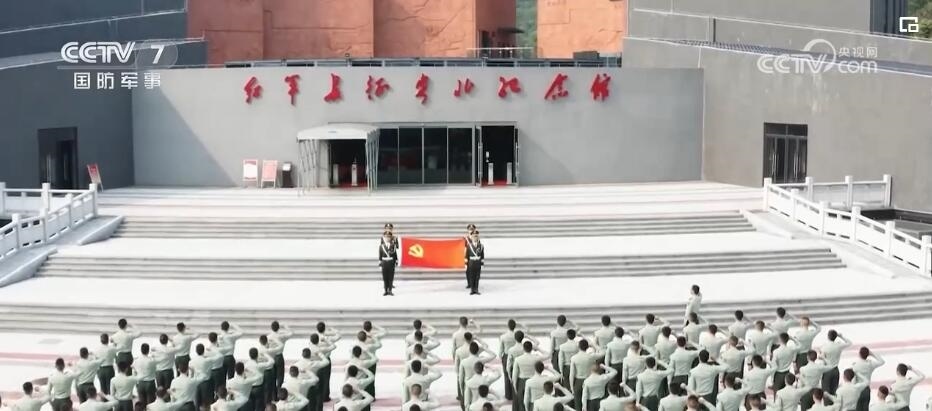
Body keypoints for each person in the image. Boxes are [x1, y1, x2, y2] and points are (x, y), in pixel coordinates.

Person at [569, 340, 604, 411]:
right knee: (589, 403)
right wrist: (593, 345)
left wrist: (572, 387)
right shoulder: (591, 356)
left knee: (578, 404)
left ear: (578, 347)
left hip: (578, 381)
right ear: (587, 347)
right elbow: (603, 352)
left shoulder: (574, 358)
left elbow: (572, 374)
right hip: (590, 380)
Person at [820, 331, 852, 396]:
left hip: (827, 370)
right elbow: (849, 343)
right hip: (835, 370)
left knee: (826, 393)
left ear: (828, 336)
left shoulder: (824, 347)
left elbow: (822, 360)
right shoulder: (838, 346)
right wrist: (841, 337)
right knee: (834, 392)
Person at [268, 321, 295, 389]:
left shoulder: (268, 337)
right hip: (279, 356)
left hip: (271, 356)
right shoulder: (281, 336)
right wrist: (286, 327)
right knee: (280, 376)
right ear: (278, 328)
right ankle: (279, 390)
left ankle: (273, 393)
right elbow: (291, 333)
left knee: (272, 376)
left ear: (271, 328)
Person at [465, 230, 485, 295]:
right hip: (471, 263)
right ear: (472, 237)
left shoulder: (481, 246)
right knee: (471, 276)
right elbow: (466, 256)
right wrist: (466, 264)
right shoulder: (469, 246)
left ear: (478, 237)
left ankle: (476, 289)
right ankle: (472, 289)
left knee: (477, 277)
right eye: (474, 236)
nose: (475, 238)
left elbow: (482, 256)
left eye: (476, 236)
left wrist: (482, 264)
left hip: (478, 263)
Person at [378, 231, 398, 296]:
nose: (387, 238)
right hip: (384, 263)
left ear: (390, 238)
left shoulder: (393, 246)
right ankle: (386, 290)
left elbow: (395, 254)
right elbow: (380, 256)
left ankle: (390, 291)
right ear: (384, 238)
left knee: (391, 277)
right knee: (385, 277)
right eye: (386, 237)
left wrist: (396, 261)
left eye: (389, 237)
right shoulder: (381, 246)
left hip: (391, 263)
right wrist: (380, 264)